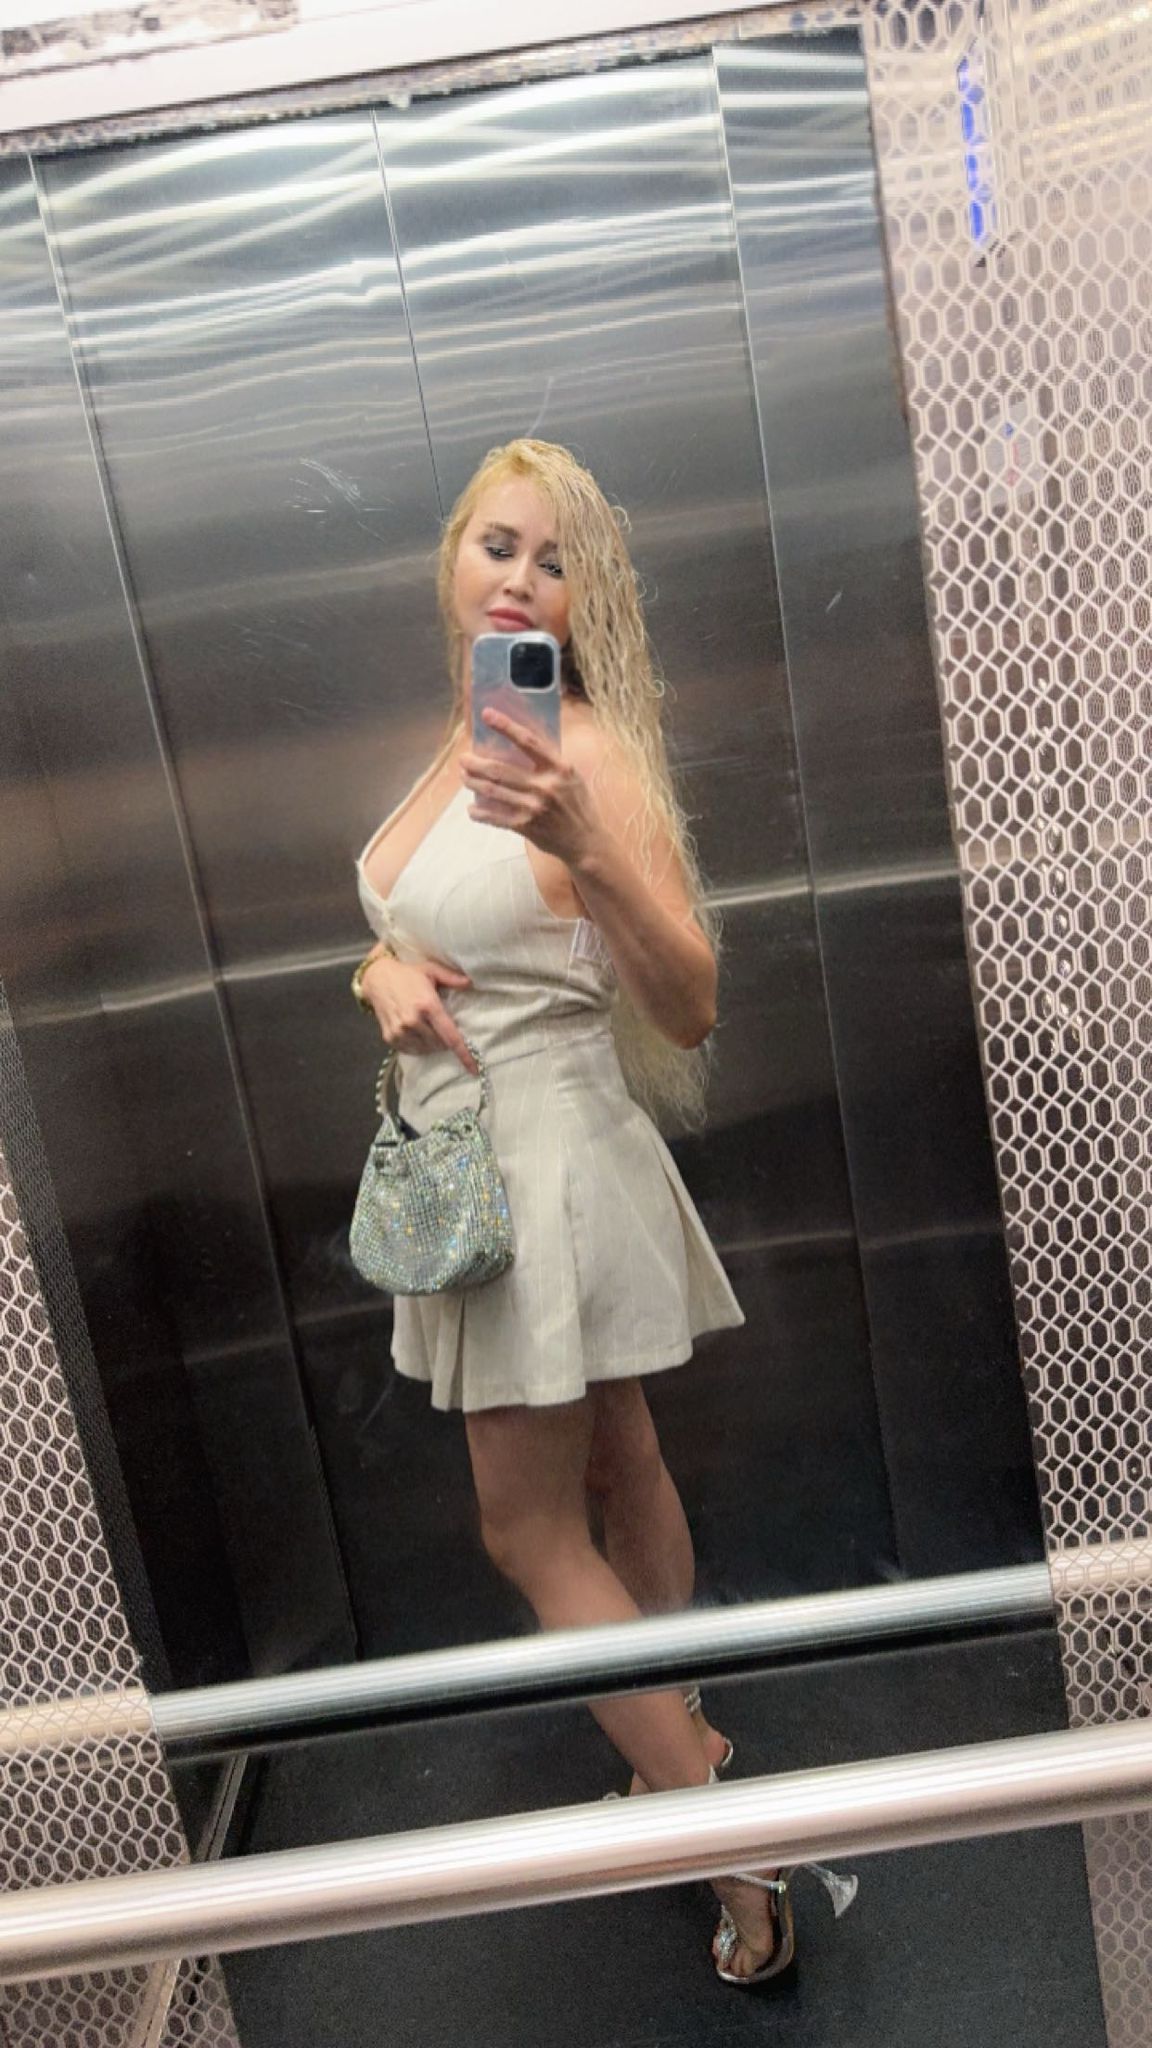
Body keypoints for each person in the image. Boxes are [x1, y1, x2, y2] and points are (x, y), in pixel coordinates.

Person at [352, 437, 801, 1986]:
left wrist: (583, 842)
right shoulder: (460, 739)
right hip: (485, 1157)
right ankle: (680, 1743)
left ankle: (735, 1853)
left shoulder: (580, 757)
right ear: (452, 559)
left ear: (582, 599)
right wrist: (376, 970)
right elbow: (426, 923)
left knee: (526, 1525)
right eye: (498, 545)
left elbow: (689, 1002)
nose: (518, 579)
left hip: (540, 1165)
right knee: (618, 1459)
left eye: (554, 562)